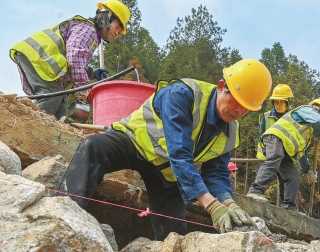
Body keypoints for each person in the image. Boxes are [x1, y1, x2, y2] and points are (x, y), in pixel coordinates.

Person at [58, 59, 272, 240]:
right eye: (237, 101)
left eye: (248, 108)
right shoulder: (182, 94)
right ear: (221, 86)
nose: (240, 110)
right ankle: (61, 217)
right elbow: (179, 153)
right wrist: (211, 206)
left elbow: (215, 174)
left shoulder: (230, 132)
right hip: (132, 142)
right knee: (94, 147)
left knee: (174, 235)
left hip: (166, 171)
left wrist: (229, 203)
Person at [10, 0, 130, 119]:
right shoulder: (89, 30)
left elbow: (74, 60)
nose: (117, 33)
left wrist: (91, 73)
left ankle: (42, 131)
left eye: (119, 32)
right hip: (38, 57)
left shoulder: (90, 33)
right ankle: (31, 129)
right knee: (52, 96)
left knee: (59, 110)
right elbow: (75, 57)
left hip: (37, 57)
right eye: (117, 27)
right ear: (104, 18)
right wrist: (82, 88)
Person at [247, 98, 320, 211]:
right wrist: (318, 134)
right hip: (275, 138)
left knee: (293, 175)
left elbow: (302, 155)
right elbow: (318, 121)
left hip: (285, 149)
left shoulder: (307, 131)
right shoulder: (306, 109)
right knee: (274, 158)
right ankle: (255, 191)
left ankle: (288, 206)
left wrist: (309, 171)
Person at [255, 84, 294, 205]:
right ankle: (255, 195)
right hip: (266, 155)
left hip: (284, 156)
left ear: (287, 103)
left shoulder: (292, 119)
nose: (278, 105)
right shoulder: (266, 117)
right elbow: (261, 137)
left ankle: (285, 206)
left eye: (281, 102)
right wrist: (266, 153)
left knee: (285, 180)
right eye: (276, 102)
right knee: (263, 176)